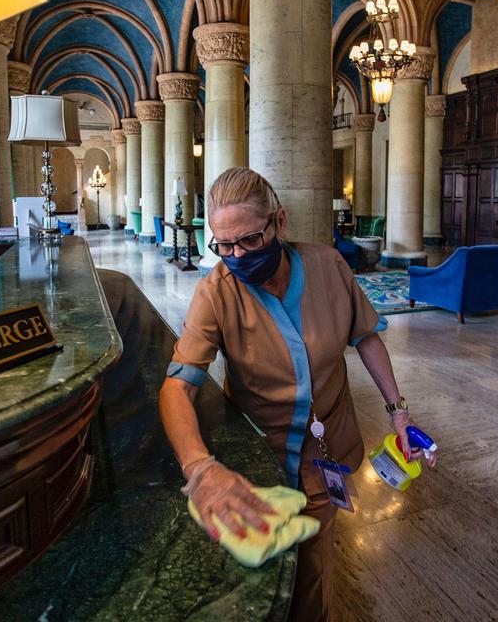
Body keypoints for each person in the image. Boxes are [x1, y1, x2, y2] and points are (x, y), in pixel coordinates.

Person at [159, 167, 436, 621]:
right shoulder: (216, 292)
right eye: (222, 246)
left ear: (279, 223)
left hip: (326, 449)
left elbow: (365, 336)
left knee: (311, 571)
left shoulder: (328, 266)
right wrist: (200, 468)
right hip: (260, 458)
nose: (236, 255)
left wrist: (398, 412)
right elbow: (176, 386)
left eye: (249, 241)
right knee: (260, 579)